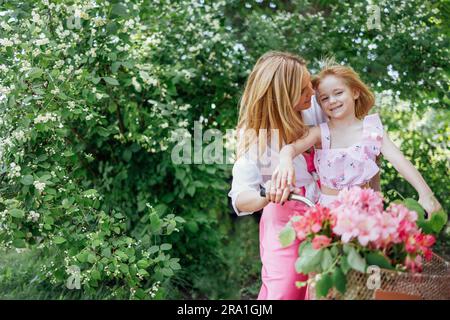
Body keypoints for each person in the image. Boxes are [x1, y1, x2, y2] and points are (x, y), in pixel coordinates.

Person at [271, 60, 442, 216]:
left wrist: (426, 194)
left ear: (355, 92)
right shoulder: (320, 133)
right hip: (329, 213)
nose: (332, 101)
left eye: (338, 93)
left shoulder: (372, 130)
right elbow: (290, 148)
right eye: (324, 98)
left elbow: (399, 160)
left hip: (364, 211)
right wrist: (285, 159)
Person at [228, 51, 327, 300]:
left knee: (326, 291)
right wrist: (267, 194)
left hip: (327, 208)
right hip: (286, 216)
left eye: (310, 85)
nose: (312, 93)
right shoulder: (255, 136)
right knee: (284, 292)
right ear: (283, 96)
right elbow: (241, 197)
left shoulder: (315, 106)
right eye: (304, 90)